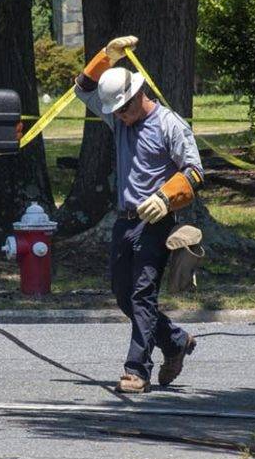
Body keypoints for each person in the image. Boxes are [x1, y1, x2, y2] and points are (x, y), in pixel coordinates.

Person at [74, 35, 203, 394]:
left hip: (157, 223)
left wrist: (165, 198)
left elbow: (194, 172)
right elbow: (82, 90)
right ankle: (176, 341)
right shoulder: (119, 120)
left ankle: (137, 370)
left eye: (122, 110)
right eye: (115, 111)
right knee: (122, 295)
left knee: (143, 295)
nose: (117, 117)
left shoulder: (170, 125)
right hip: (125, 221)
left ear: (137, 96)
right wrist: (105, 57)